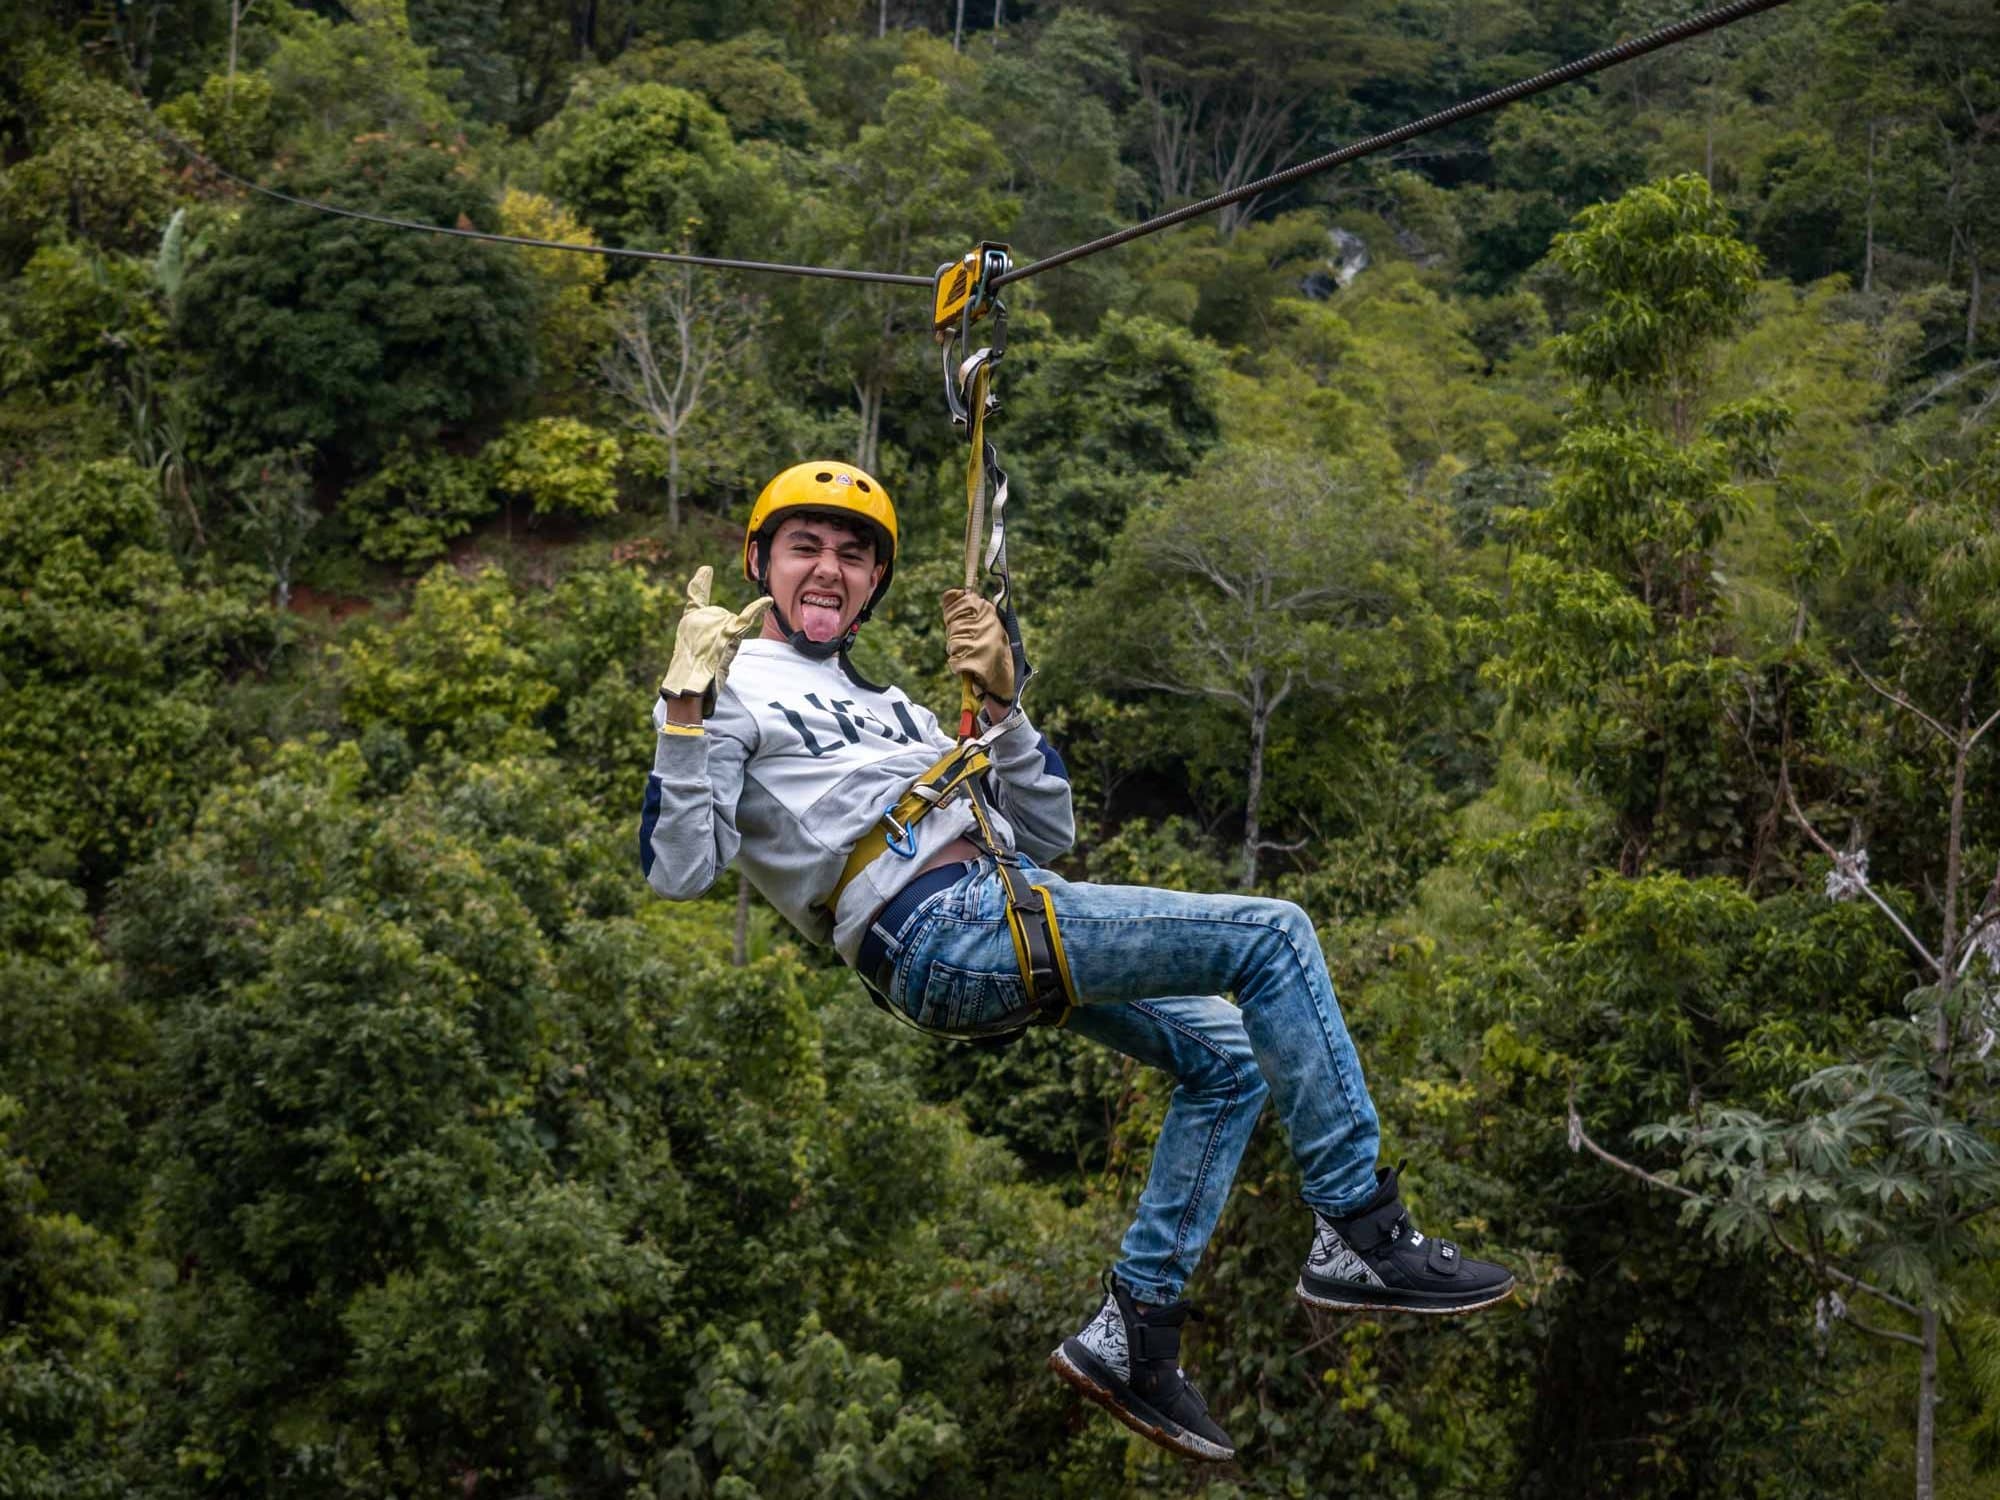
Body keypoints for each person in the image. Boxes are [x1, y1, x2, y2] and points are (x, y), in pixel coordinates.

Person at [640, 460, 1514, 1464]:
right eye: (806, 548)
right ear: (759, 562)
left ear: (875, 582)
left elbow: (1048, 830)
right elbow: (680, 870)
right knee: (1273, 935)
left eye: (853, 555)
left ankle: (1134, 1331)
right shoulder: (729, 687)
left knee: (1229, 1060)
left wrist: (1004, 708)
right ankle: (1361, 1230)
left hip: (1006, 904)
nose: (829, 569)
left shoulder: (899, 710)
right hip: (936, 928)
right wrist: (683, 706)